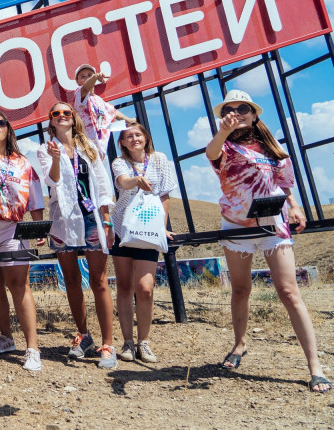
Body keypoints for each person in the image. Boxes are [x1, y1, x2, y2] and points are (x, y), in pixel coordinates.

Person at [206, 90, 329, 393]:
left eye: (242, 108)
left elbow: (285, 184)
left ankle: (315, 367)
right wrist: (222, 132)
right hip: (237, 226)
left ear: (254, 114)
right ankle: (239, 344)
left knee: (289, 292)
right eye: (229, 109)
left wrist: (295, 207)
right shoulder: (225, 145)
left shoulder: (273, 148)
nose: (236, 113)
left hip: (273, 223)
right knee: (241, 289)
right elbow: (211, 153)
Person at [37, 101, 117, 369]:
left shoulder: (89, 147)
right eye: (56, 113)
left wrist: (107, 220)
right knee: (71, 280)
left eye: (66, 113)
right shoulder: (45, 149)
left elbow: (102, 185)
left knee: (99, 281)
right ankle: (84, 335)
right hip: (63, 220)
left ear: (73, 119)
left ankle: (108, 344)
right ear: (51, 121)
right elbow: (52, 181)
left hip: (91, 219)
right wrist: (56, 158)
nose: (61, 116)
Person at [0, 112, 45, 372]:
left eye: (1, 123)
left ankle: (32, 348)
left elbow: (34, 196)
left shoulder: (22, 162)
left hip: (13, 228)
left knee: (19, 285)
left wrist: (39, 226)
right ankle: (6, 338)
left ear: (8, 129)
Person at [111, 122, 176, 364]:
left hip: (149, 229)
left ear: (146, 138)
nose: (134, 139)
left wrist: (162, 227)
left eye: (138, 134)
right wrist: (136, 181)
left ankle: (144, 341)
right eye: (128, 136)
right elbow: (123, 182)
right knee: (125, 286)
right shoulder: (120, 163)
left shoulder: (159, 159)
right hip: (123, 228)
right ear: (122, 142)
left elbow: (165, 195)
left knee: (145, 288)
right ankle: (128, 342)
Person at [72, 63, 134, 160]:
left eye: (89, 75)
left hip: (100, 149)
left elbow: (113, 112)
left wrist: (130, 120)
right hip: (85, 147)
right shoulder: (78, 94)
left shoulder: (99, 100)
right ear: (77, 81)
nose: (87, 78)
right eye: (82, 76)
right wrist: (94, 77)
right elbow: (86, 88)